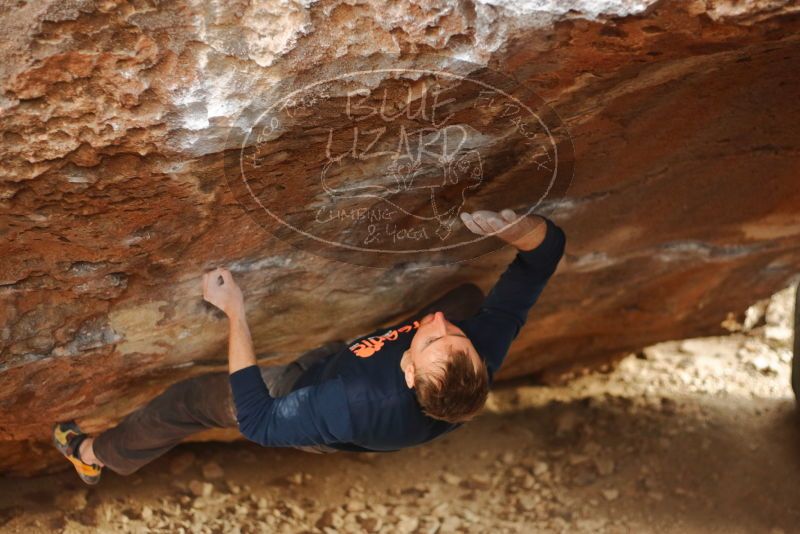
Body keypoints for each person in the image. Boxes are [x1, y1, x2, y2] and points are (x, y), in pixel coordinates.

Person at [53, 209, 566, 484]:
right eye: (455, 336)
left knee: (190, 401)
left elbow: (258, 421)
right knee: (469, 299)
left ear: (408, 374)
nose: (439, 324)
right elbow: (544, 255)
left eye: (433, 336)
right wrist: (523, 231)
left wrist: (236, 312)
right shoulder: (476, 357)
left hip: (305, 389)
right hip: (356, 376)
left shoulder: (350, 404)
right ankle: (361, 348)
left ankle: (92, 454)